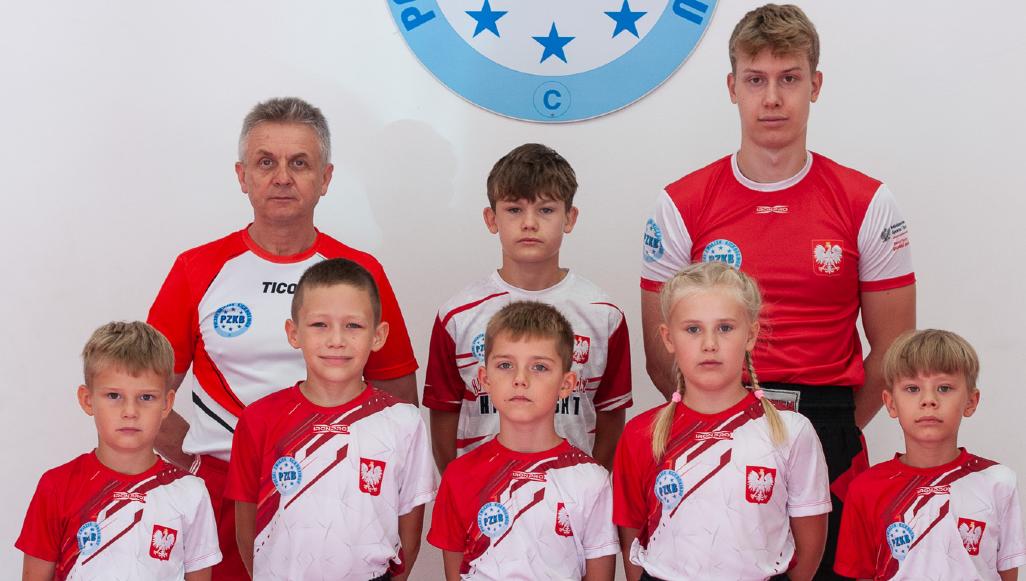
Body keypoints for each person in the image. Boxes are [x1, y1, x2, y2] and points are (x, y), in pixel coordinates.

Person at [638, 5, 915, 576]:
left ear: (815, 85)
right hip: (713, 424)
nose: (772, 98)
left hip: (828, 425)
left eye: (789, 78)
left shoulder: (867, 202)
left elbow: (894, 348)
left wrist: (826, 428)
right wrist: (729, 423)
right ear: (732, 88)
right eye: (755, 79)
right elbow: (661, 352)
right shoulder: (681, 204)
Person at [147, 97, 418, 578]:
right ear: (242, 176)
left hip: (336, 487)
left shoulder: (361, 272)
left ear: (325, 178)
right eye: (266, 162)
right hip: (221, 490)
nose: (282, 177)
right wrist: (198, 462)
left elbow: (399, 402)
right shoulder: (196, 269)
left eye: (299, 163)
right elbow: (143, 392)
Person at [614, 262, 831, 581]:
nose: (709, 344)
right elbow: (633, 541)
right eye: (693, 329)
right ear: (668, 338)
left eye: (725, 328)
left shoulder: (791, 431)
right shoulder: (642, 433)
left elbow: (809, 549)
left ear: (751, 334)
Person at [424, 143, 632, 473]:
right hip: (482, 491)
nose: (530, 223)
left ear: (570, 218)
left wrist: (590, 485)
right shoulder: (458, 315)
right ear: (491, 219)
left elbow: (610, 414)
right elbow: (444, 414)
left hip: (571, 492)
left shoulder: (603, 315)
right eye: (514, 210)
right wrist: (460, 488)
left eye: (546, 210)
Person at [225, 258, 435, 580]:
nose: (336, 339)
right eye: (320, 325)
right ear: (293, 333)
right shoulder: (258, 418)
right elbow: (246, 530)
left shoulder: (403, 421)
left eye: (353, 326)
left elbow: (409, 530)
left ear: (378, 336)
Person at [428, 301, 618, 580]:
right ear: (485, 379)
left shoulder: (592, 480)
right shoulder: (459, 475)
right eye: (505, 365)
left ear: (566, 384)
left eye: (539, 367)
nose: (520, 379)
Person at [17, 321, 221, 580]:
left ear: (166, 403)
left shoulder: (190, 492)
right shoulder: (56, 486)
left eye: (146, 397)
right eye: (114, 396)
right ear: (87, 400)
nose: (130, 411)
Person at [834, 330, 1025, 580]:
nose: (928, 400)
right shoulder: (865, 488)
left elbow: (1007, 574)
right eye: (912, 388)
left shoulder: (998, 481)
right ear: (891, 403)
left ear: (971, 401)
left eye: (944, 388)